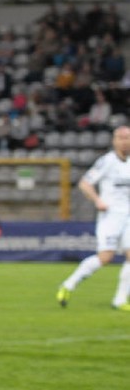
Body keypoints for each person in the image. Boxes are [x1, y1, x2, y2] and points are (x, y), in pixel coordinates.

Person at [56, 126, 130, 311]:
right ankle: (68, 285)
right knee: (106, 257)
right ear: (114, 141)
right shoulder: (107, 161)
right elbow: (85, 183)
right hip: (110, 216)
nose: (124, 141)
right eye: (120, 138)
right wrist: (98, 200)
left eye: (127, 138)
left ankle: (120, 300)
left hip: (128, 215)